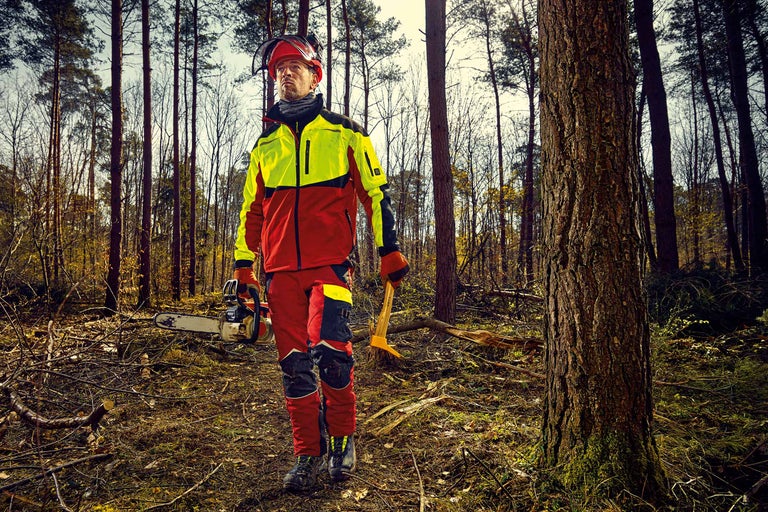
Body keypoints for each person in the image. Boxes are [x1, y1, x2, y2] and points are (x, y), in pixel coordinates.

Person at [232, 34, 409, 493]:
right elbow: (252, 210)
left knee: (331, 354)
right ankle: (307, 451)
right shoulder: (264, 146)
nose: (285, 74)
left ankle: (343, 441)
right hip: (280, 274)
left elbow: (376, 193)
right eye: (278, 70)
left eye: (295, 66)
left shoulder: (346, 132)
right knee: (294, 365)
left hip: (330, 265)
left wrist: (388, 247)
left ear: (316, 74)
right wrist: (243, 266)